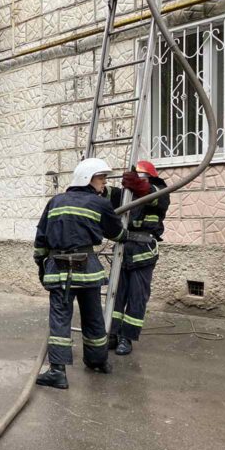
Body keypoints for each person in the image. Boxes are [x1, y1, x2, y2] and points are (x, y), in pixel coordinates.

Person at [33, 158, 153, 389]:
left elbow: (41, 236)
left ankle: (57, 371)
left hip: (59, 270)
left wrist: (40, 261)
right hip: (87, 269)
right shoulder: (99, 204)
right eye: (101, 178)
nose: (104, 184)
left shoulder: (55, 201)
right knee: (93, 316)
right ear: (87, 179)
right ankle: (98, 361)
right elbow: (116, 234)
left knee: (60, 319)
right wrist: (132, 236)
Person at [103, 160, 169, 356]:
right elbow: (106, 195)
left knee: (137, 296)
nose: (136, 181)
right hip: (122, 248)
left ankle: (127, 337)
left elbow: (150, 194)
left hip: (143, 251)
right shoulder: (125, 194)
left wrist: (138, 184)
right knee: (116, 294)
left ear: (150, 177)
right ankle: (112, 333)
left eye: (140, 177)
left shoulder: (161, 191)